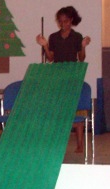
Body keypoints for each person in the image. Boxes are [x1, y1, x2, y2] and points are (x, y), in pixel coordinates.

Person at [36, 6, 91, 153]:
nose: (63, 24)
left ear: (71, 20)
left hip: (73, 76)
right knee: (57, 109)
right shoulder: (53, 37)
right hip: (57, 76)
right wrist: (45, 46)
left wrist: (84, 46)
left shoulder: (77, 36)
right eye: (60, 22)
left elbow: (81, 58)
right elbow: (51, 58)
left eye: (65, 21)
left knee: (76, 109)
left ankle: (80, 144)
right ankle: (56, 141)